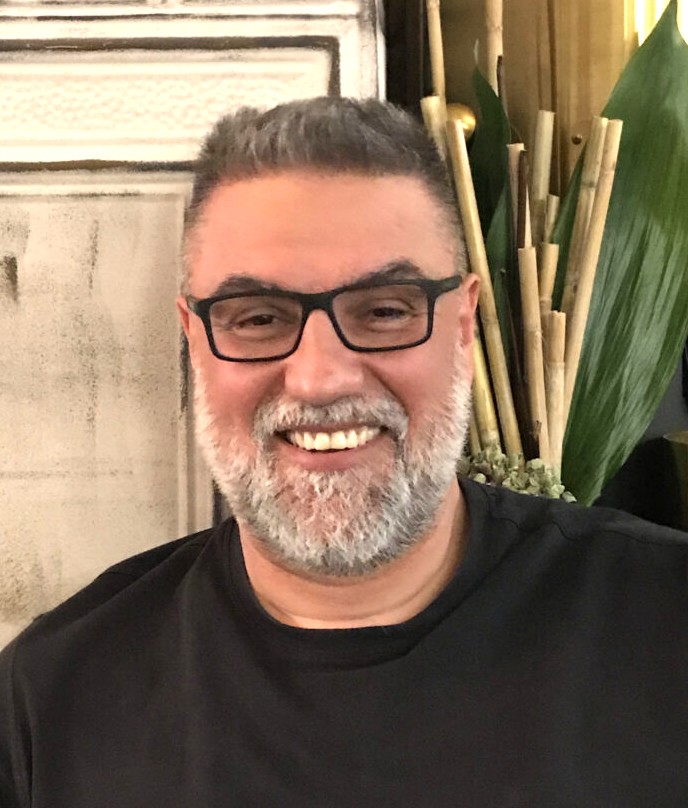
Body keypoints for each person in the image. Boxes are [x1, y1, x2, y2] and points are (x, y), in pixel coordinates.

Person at [0, 97, 687, 808]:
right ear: (195, 339)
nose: (320, 379)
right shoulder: (53, 698)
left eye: (385, 310)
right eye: (258, 318)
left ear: (463, 326)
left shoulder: (664, 627)